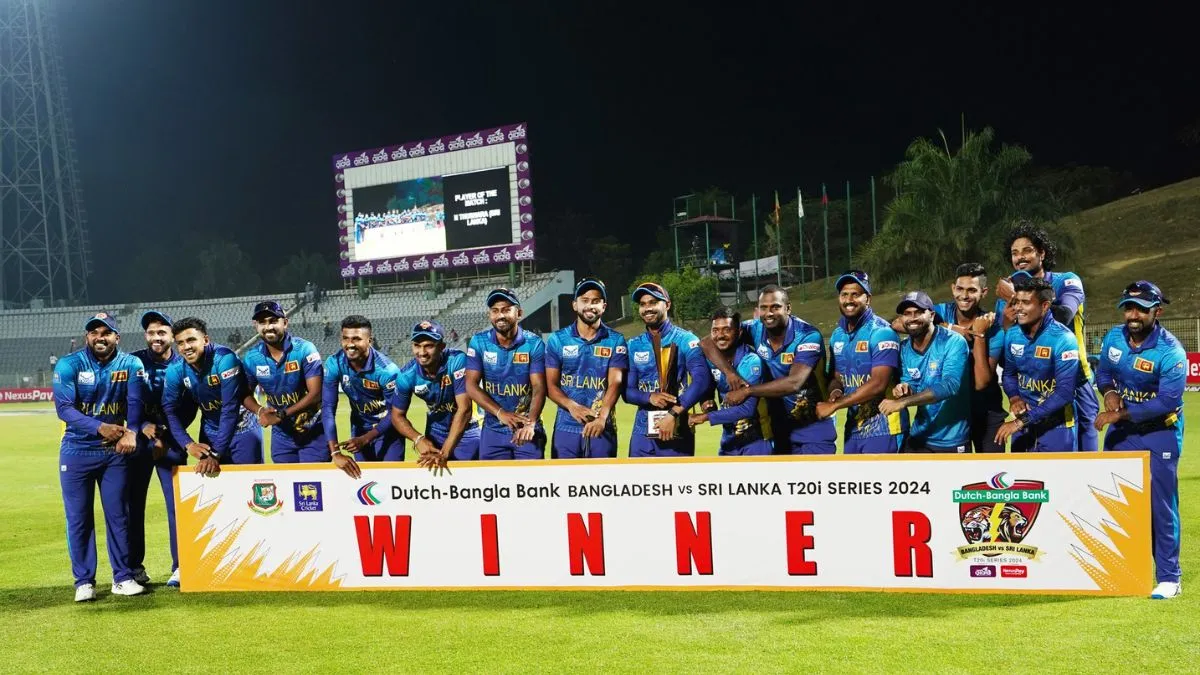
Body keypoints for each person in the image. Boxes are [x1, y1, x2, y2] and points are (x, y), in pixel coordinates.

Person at [1094, 281, 1186, 599]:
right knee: (1116, 498)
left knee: (1160, 505)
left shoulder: (1171, 351)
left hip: (1161, 433)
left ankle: (1169, 577)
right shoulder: (1113, 338)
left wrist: (1119, 415)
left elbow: (1167, 402)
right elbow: (1103, 372)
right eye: (1129, 308)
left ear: (1156, 312)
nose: (1133, 315)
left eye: (1141, 309)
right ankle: (1122, 568)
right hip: (1124, 433)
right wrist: (1109, 393)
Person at [53, 312, 146, 601]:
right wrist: (99, 427)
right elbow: (64, 409)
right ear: (86, 337)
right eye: (94, 332)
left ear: (117, 337)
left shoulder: (131, 364)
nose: (100, 337)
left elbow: (135, 402)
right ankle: (84, 582)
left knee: (119, 515)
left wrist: (131, 432)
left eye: (106, 332)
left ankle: (122, 577)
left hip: (114, 453)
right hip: (76, 451)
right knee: (78, 518)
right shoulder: (69, 364)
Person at [994, 222, 1099, 451]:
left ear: (1042, 253)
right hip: (1030, 385)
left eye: (1027, 250)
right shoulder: (1007, 292)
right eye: (1014, 253)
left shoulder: (1066, 281)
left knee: (1084, 458)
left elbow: (1062, 316)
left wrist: (1015, 296)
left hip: (1075, 381)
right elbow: (1007, 348)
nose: (1020, 257)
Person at [708, 285, 837, 454]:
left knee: (812, 480)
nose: (769, 313)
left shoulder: (807, 335)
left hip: (813, 427)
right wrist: (729, 373)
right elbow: (707, 342)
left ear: (788, 308)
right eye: (764, 308)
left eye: (775, 307)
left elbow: (794, 383)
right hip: (779, 429)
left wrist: (748, 392)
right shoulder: (755, 328)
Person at [128, 310, 195, 590]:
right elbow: (126, 400)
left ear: (171, 336)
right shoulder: (133, 361)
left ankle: (181, 566)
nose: (156, 338)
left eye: (161, 332)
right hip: (138, 443)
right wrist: (143, 425)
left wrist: (165, 435)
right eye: (151, 333)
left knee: (177, 508)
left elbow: (190, 406)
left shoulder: (185, 363)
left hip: (171, 443)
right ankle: (133, 568)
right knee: (132, 508)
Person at [818, 271, 905, 453]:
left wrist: (833, 406)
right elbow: (837, 376)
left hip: (884, 428)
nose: (849, 300)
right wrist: (835, 390)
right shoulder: (837, 335)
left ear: (868, 299)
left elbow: (878, 384)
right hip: (852, 429)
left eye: (856, 294)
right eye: (844, 294)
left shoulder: (882, 332)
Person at [163, 317, 263, 473]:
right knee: (215, 493)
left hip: (243, 429)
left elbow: (230, 408)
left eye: (191, 340)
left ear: (206, 340)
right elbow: (169, 410)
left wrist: (215, 454)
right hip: (210, 433)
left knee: (250, 488)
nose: (186, 347)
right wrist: (188, 444)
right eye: (180, 343)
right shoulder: (175, 370)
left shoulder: (225, 358)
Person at [624, 282, 712, 457]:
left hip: (677, 427)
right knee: (637, 484)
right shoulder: (633, 345)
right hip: (642, 432)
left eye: (653, 302)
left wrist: (673, 413)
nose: (647, 308)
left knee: (676, 484)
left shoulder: (686, 340)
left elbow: (702, 380)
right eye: (643, 304)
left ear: (667, 305)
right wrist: (649, 397)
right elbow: (627, 391)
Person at [994, 277, 1083, 452]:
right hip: (1023, 428)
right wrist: (1014, 397)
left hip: (1057, 427)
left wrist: (1021, 420)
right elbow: (1009, 375)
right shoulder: (1013, 335)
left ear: (1044, 306)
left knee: (1056, 480)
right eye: (1017, 302)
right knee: (1021, 479)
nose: (1018, 308)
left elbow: (1064, 393)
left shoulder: (1063, 339)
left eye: (1026, 303)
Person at [545, 278, 628, 458]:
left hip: (602, 426)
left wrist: (602, 418)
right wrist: (572, 407)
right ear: (575, 305)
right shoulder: (557, 340)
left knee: (601, 485)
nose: (590, 305)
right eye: (584, 300)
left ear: (604, 306)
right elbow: (550, 386)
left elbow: (616, 382)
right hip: (566, 427)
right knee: (564, 484)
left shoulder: (616, 340)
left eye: (596, 301)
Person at [878, 292, 970, 453]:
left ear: (932, 315)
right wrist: (905, 389)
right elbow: (912, 382)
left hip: (951, 440)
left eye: (919, 312)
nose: (912, 318)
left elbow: (950, 385)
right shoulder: (905, 348)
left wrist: (903, 402)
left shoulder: (953, 341)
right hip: (919, 436)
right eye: (907, 314)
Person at [241, 300, 328, 463]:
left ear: (285, 323)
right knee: (285, 484)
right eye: (262, 322)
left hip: (313, 432)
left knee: (313, 486)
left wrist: (281, 415)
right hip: (282, 437)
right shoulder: (252, 358)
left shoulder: (304, 349)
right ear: (256, 326)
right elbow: (244, 394)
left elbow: (317, 394)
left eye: (273, 321)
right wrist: (260, 411)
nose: (268, 327)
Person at [465, 289, 547, 460]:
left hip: (526, 429)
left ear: (519, 313)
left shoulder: (534, 343)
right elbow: (471, 386)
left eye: (506, 310)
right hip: (493, 430)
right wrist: (500, 412)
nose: (500, 315)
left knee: (531, 485)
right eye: (495, 311)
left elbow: (539, 387)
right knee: (491, 485)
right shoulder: (479, 342)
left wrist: (531, 423)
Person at [933, 263, 1006, 452]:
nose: (964, 296)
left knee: (992, 475)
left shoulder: (994, 327)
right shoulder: (940, 312)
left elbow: (982, 383)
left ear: (984, 292)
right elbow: (901, 323)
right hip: (952, 411)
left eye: (972, 290)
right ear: (952, 288)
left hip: (986, 411)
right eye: (960, 289)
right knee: (955, 477)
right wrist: (953, 329)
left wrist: (979, 335)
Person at [321, 316, 404, 479]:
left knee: (391, 483)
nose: (350, 344)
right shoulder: (334, 363)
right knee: (363, 484)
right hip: (359, 430)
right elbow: (328, 408)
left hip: (388, 431)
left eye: (357, 339)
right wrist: (335, 452)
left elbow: (395, 413)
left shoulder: (387, 371)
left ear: (369, 340)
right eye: (345, 338)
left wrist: (366, 439)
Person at [391, 320, 479, 468]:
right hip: (435, 433)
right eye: (417, 346)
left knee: (472, 485)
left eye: (429, 346)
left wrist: (444, 453)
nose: (422, 352)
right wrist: (418, 439)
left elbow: (464, 409)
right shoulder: (406, 376)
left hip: (467, 430)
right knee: (437, 486)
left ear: (442, 347)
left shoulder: (457, 361)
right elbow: (396, 415)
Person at [689, 307, 772, 455]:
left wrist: (704, 417)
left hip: (757, 441)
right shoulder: (711, 360)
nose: (720, 335)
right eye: (715, 330)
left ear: (739, 333)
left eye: (726, 330)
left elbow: (747, 409)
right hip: (729, 440)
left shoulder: (751, 361)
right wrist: (706, 402)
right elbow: (708, 389)